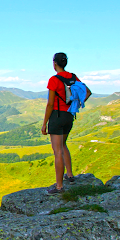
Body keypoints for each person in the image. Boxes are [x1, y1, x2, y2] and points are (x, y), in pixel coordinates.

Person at [41, 52, 91, 195]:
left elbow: (50, 104)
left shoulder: (54, 80)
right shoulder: (73, 77)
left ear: (54, 63)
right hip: (69, 115)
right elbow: (87, 92)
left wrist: (44, 123)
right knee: (63, 145)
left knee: (57, 152)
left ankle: (59, 187)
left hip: (57, 116)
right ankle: (70, 175)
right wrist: (76, 104)